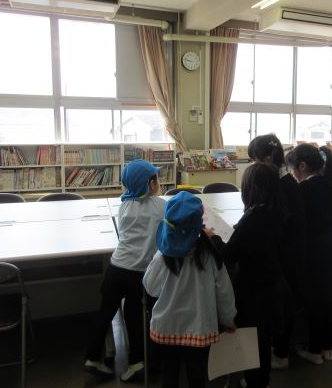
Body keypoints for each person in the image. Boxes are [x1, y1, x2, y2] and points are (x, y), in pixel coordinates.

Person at [143, 191, 237, 388]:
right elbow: (224, 293)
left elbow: (150, 288)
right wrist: (228, 320)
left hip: (166, 329)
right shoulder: (209, 256)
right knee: (197, 376)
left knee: (169, 376)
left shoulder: (163, 256)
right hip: (199, 329)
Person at [85, 159, 166, 382]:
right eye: (157, 179)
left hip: (116, 268)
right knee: (134, 316)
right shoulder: (161, 206)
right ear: (151, 184)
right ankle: (136, 363)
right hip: (140, 273)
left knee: (105, 313)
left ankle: (92, 358)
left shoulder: (124, 206)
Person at [220, 163, 290, 387]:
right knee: (264, 339)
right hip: (274, 283)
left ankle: (255, 382)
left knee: (251, 341)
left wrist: (213, 237)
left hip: (254, 290)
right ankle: (263, 381)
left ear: (253, 188)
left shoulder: (253, 218)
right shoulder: (277, 211)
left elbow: (229, 255)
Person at [247, 134, 306, 370]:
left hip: (285, 255)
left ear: (268, 159)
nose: (254, 166)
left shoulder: (280, 186)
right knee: (283, 304)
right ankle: (279, 350)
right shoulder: (287, 181)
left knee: (282, 307)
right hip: (288, 252)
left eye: (255, 161)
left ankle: (280, 353)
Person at [285, 144, 332, 365]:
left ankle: (314, 351)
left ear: (302, 166)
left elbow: (295, 224)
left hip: (314, 249)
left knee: (315, 302)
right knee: (328, 301)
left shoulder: (303, 190)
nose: (292, 174)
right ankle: (328, 348)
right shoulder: (331, 184)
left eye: (292, 169)